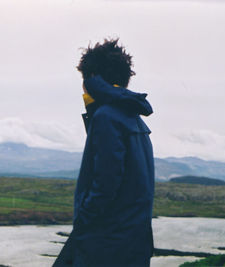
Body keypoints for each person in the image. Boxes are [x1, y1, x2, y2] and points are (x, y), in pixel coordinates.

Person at [53, 38, 155, 267]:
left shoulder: (106, 117)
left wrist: (83, 222)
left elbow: (105, 184)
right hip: (132, 244)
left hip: (105, 247)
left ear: (92, 81)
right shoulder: (133, 116)